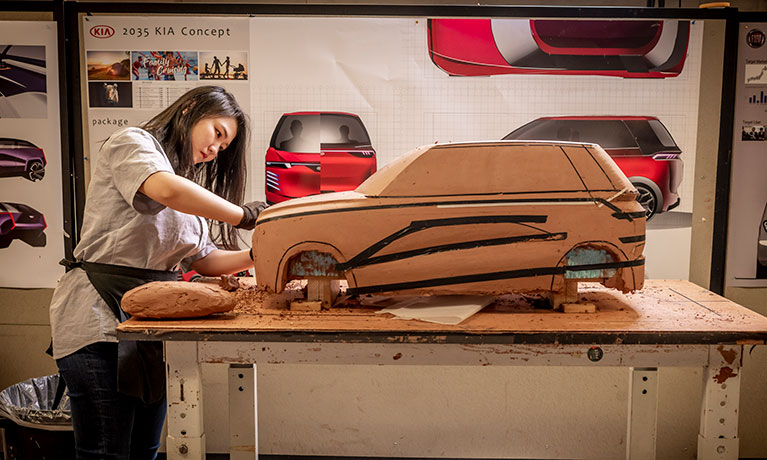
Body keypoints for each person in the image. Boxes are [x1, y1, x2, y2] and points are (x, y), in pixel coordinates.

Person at [49, 85, 266, 460]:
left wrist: (261, 253)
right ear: (189, 112)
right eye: (217, 134)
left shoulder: (189, 188)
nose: (216, 150)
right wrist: (244, 215)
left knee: (145, 450)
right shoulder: (132, 144)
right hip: (99, 317)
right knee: (106, 452)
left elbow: (205, 260)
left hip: (153, 325)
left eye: (224, 146)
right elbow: (164, 189)